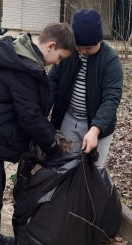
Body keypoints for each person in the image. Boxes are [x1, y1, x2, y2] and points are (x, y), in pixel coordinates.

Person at [0, 22, 76, 245]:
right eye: (60, 57)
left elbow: (31, 112)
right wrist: (54, 151)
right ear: (51, 46)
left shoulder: (21, 57)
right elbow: (30, 118)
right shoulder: (24, 68)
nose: (58, 63)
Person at [48, 9, 123, 170]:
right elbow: (52, 82)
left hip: (97, 126)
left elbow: (111, 98)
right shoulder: (68, 53)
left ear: (99, 41)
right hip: (68, 119)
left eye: (88, 48)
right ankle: (65, 195)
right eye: (79, 46)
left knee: (93, 171)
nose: (83, 51)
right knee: (64, 166)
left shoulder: (110, 61)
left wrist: (95, 130)